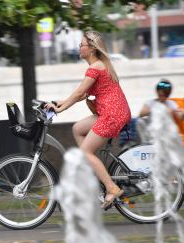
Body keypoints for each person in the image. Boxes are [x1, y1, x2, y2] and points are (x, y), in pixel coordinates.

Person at [45, 30, 131, 209]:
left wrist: (61, 108)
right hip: (111, 112)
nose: (79, 48)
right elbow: (82, 94)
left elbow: (78, 93)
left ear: (91, 49)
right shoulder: (99, 66)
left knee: (85, 152)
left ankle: (111, 188)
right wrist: (59, 103)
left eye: (81, 45)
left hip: (112, 114)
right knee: (78, 129)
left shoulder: (96, 67)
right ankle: (96, 172)